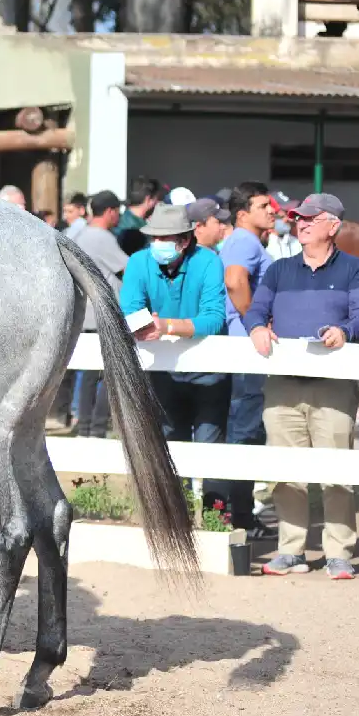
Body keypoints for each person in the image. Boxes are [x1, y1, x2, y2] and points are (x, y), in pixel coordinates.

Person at [245, 193, 359, 580]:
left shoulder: (354, 270)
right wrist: (257, 328)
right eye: (298, 218)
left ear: (333, 225)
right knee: (285, 472)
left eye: (310, 218)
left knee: (337, 472)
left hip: (333, 387)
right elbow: (255, 310)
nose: (301, 223)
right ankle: (290, 550)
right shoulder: (279, 270)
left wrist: (345, 331)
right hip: (282, 386)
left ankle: (339, 552)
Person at [122, 204, 229, 504]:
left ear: (184, 240)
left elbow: (214, 317)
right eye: (153, 237)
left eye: (164, 238)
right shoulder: (138, 262)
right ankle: (174, 515)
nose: (157, 244)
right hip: (162, 369)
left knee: (210, 445)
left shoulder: (209, 261)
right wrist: (144, 327)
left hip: (209, 370)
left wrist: (167, 325)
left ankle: (215, 516)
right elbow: (129, 308)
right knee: (168, 442)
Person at [221, 181, 275, 530]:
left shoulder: (247, 241)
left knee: (244, 430)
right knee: (244, 432)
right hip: (246, 350)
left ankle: (239, 515)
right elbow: (235, 281)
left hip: (243, 349)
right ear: (243, 214)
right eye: (263, 206)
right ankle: (240, 518)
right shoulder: (244, 241)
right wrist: (256, 322)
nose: (271, 210)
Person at [71, 191, 128, 438]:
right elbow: (128, 268)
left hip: (86, 313)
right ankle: (96, 428)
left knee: (88, 375)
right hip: (103, 315)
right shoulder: (102, 238)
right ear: (110, 211)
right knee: (106, 377)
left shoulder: (81, 235)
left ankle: (85, 427)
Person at [115, 176, 161, 255]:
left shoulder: (119, 222)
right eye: (157, 199)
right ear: (148, 199)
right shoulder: (138, 229)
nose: (158, 203)